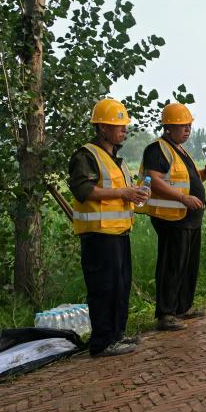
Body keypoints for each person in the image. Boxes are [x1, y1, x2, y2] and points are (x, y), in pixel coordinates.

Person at [67, 98, 149, 357]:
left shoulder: (118, 160)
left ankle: (117, 335)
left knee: (120, 286)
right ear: (102, 128)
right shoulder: (85, 156)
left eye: (125, 125)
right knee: (104, 288)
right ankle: (102, 342)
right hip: (99, 235)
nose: (124, 130)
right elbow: (84, 191)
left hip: (119, 232)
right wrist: (122, 192)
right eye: (119, 125)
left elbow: (121, 191)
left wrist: (135, 193)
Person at [139, 102, 206, 331]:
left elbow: (188, 181)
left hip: (189, 218)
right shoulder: (158, 149)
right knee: (172, 264)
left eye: (189, 125)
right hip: (172, 217)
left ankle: (183, 307)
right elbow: (154, 180)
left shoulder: (180, 150)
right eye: (182, 126)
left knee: (188, 264)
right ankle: (166, 313)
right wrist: (183, 198)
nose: (187, 130)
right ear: (168, 127)